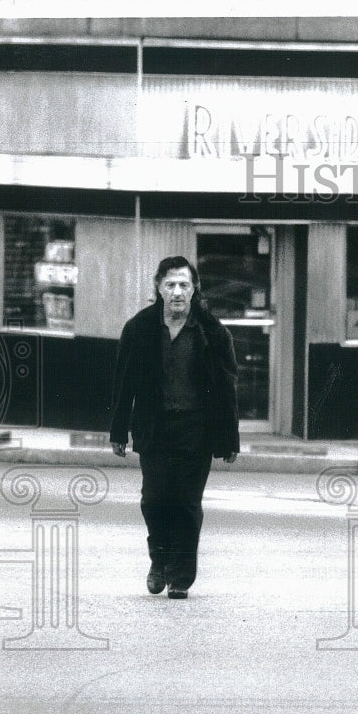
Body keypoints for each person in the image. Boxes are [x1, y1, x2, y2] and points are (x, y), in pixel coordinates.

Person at [109, 256, 239, 599]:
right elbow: (124, 384)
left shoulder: (212, 332)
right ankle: (159, 562)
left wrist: (229, 439)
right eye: (171, 285)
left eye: (184, 284)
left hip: (196, 431)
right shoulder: (138, 330)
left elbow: (227, 388)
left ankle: (180, 576)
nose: (177, 292)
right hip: (155, 429)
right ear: (158, 287)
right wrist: (118, 431)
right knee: (154, 501)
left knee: (186, 502)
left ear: (194, 289)